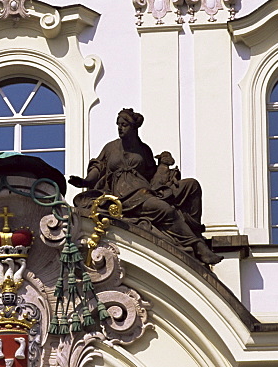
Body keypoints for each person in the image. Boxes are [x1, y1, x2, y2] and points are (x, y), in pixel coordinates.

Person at [69, 109, 221, 266]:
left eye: (124, 125)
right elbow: (98, 168)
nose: (120, 128)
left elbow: (152, 177)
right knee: (165, 210)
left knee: (191, 186)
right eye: (118, 125)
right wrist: (85, 182)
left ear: (134, 127)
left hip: (142, 192)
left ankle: (196, 237)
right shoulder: (110, 148)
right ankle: (198, 246)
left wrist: (163, 166)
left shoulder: (144, 150)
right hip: (119, 197)